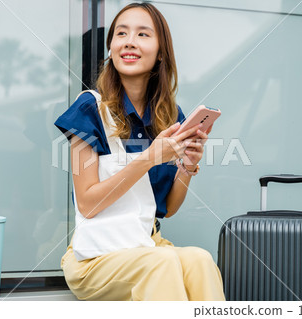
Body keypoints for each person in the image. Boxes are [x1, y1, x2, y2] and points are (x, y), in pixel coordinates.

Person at [54, 2, 225, 301]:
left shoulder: (171, 117)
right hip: (94, 259)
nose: (129, 41)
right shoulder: (87, 109)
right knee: (163, 262)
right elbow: (87, 204)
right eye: (121, 33)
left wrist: (187, 166)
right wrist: (149, 158)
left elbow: (167, 209)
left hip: (146, 243)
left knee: (200, 260)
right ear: (112, 49)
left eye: (143, 34)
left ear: (161, 53)